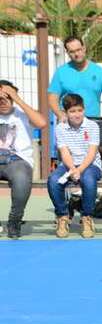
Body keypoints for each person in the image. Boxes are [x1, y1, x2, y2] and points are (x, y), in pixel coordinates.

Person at [47, 94, 102, 238]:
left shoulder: (93, 126)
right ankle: (63, 216)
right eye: (72, 111)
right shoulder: (60, 128)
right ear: (65, 112)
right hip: (68, 165)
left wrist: (79, 170)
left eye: (79, 110)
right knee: (53, 180)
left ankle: (87, 217)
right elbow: (64, 152)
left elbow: (92, 153)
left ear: (84, 109)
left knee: (88, 180)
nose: (77, 114)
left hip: (90, 165)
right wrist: (72, 168)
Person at [0, 80, 46, 238]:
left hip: (17, 160)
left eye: (8, 97)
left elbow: (42, 123)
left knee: (21, 178)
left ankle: (14, 220)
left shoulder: (22, 113)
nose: (4, 101)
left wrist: (17, 98)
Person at [47, 36, 102, 126]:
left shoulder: (99, 72)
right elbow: (52, 99)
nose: (76, 54)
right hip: (68, 124)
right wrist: (60, 115)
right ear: (67, 52)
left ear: (84, 48)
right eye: (72, 52)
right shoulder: (61, 72)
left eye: (78, 50)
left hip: (92, 124)